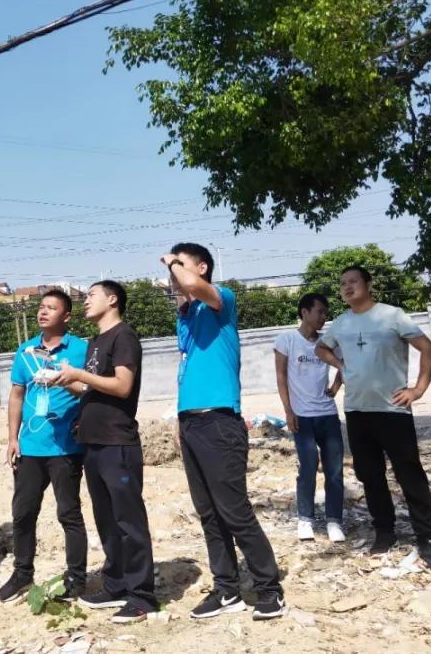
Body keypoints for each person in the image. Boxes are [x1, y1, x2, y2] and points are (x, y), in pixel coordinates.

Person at [164, 244, 287, 621]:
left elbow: (192, 285)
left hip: (220, 421)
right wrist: (180, 422)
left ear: (202, 267)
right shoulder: (186, 316)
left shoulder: (222, 300)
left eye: (181, 264)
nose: (173, 272)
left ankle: (269, 588)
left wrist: (172, 262)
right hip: (191, 422)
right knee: (209, 513)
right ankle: (227, 588)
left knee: (234, 510)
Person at [315, 265, 431, 569]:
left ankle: (427, 538)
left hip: (392, 410)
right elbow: (321, 348)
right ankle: (384, 531)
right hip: (357, 411)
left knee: (410, 475)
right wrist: (340, 364)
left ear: (368, 284)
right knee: (370, 476)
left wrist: (418, 389)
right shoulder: (341, 323)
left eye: (353, 281)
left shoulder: (392, 315)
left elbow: (428, 349)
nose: (347, 287)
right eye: (343, 283)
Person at [52, 280, 156, 625]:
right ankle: (116, 585)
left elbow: (122, 386)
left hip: (117, 442)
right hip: (93, 442)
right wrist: (64, 380)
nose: (84, 302)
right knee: (107, 520)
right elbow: (93, 389)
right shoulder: (96, 342)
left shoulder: (124, 336)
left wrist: (79, 373)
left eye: (91, 296)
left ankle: (142, 596)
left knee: (129, 521)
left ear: (112, 300)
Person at [0, 290, 89, 604]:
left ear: (67, 316)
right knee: (23, 513)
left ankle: (76, 578)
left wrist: (64, 380)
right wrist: (13, 438)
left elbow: (90, 391)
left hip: (66, 448)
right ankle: (22, 573)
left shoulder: (81, 349)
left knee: (69, 514)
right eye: (41, 307)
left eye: (52, 307)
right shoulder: (25, 351)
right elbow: (16, 395)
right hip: (30, 448)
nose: (43, 312)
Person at [274, 292, 345, 544]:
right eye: (319, 312)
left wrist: (335, 388)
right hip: (302, 416)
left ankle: (334, 521)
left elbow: (343, 364)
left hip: (327, 414)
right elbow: (281, 377)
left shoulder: (327, 343)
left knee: (334, 470)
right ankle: (305, 519)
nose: (323, 317)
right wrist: (288, 410)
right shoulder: (286, 340)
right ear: (304, 312)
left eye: (326, 313)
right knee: (308, 466)